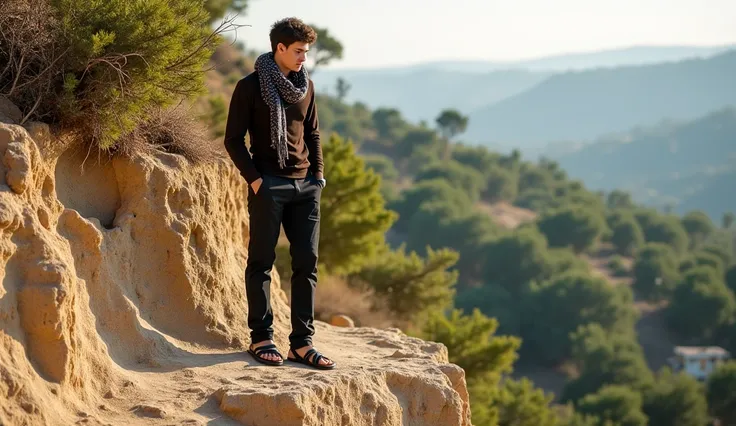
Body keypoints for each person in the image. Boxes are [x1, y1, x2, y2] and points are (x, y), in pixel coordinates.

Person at [223, 17, 335, 370]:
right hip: (269, 184)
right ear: (280, 48)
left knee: (307, 264)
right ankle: (261, 338)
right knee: (261, 262)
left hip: (305, 187)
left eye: (306, 52)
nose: (304, 58)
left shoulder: (306, 87)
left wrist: (317, 176)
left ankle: (301, 344)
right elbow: (233, 140)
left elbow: (313, 134)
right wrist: (257, 181)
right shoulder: (250, 86)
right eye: (299, 51)